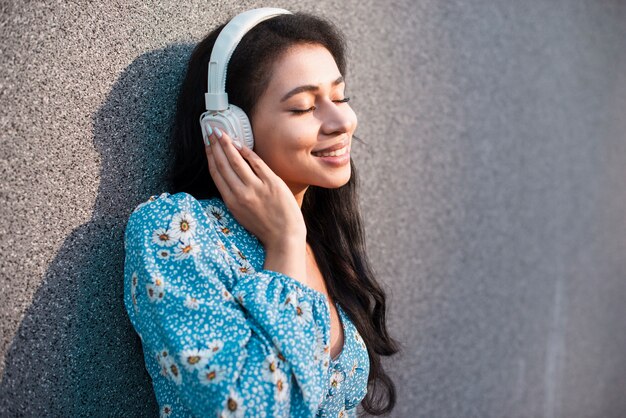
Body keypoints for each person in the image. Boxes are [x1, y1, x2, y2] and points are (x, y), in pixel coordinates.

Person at [123, 9, 399, 418]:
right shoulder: (176, 232)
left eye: (340, 97)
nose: (342, 120)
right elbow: (252, 408)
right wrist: (283, 242)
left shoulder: (323, 242)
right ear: (231, 129)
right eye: (304, 107)